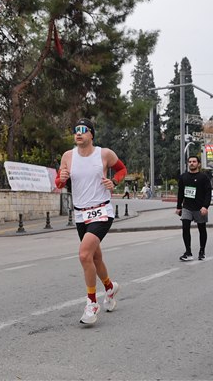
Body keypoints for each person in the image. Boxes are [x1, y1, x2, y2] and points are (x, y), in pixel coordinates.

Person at [55, 118, 127, 325]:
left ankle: (92, 303)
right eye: (75, 130)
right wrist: (62, 178)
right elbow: (58, 183)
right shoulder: (68, 156)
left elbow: (122, 169)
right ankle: (110, 287)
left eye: (83, 130)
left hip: (102, 211)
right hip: (81, 214)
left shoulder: (104, 154)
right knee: (95, 258)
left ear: (91, 134)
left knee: (84, 254)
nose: (78, 133)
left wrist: (114, 181)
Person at [176, 155, 212, 261]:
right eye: (190, 162)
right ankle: (188, 252)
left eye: (194, 161)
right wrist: (178, 207)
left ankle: (202, 251)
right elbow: (180, 192)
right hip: (187, 207)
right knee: (185, 227)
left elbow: (208, 193)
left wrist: (205, 206)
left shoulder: (203, 177)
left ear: (198, 164)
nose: (192, 163)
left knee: (202, 228)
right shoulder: (183, 177)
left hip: (200, 207)